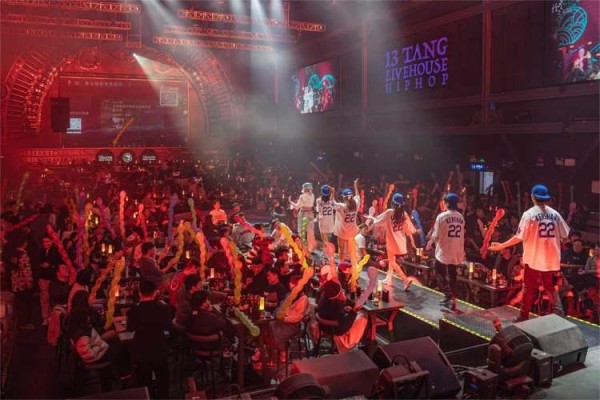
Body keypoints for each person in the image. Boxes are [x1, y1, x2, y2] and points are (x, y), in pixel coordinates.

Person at [489, 184, 569, 322]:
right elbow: (566, 236)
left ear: (532, 197)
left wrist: (501, 246)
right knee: (549, 285)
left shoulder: (529, 214)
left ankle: (523, 315)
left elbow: (518, 237)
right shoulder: (555, 214)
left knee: (528, 286)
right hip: (550, 258)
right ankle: (559, 311)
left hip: (534, 258)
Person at [127, 280, 171, 399]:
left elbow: (130, 328)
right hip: (159, 347)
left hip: (141, 349)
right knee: (163, 379)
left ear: (140, 293)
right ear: (155, 293)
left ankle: (147, 396)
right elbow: (168, 326)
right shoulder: (163, 308)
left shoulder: (133, 311)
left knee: (143, 380)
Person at [370, 193, 418, 290]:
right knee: (392, 260)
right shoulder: (404, 214)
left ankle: (405, 280)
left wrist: (372, 219)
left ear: (393, 203)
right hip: (401, 243)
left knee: (392, 262)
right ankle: (389, 279)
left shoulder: (389, 212)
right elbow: (410, 230)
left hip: (392, 242)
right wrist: (412, 242)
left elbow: (377, 222)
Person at [426, 193, 465, 311]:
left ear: (447, 203)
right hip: (457, 250)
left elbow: (436, 235)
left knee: (438, 271)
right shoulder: (461, 217)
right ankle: (453, 300)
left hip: (445, 250)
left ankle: (448, 295)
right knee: (453, 276)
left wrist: (430, 243)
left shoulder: (441, 216)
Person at [317, 280, 367, 353]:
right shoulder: (336, 305)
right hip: (336, 330)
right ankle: (354, 343)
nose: (342, 291)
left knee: (358, 315)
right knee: (363, 316)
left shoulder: (323, 299)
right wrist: (353, 312)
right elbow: (344, 325)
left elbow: (335, 313)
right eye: (340, 291)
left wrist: (344, 309)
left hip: (324, 327)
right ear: (337, 293)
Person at [332, 179, 361, 262]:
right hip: (352, 231)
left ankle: (341, 264)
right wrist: (355, 186)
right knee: (351, 249)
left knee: (341, 248)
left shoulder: (341, 206)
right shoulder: (356, 204)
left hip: (342, 231)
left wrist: (333, 193)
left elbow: (332, 203)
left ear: (344, 197)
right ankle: (353, 264)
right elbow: (358, 196)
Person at [38, 235, 61, 326]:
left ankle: (53, 317)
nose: (45, 244)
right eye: (44, 242)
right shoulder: (41, 251)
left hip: (53, 278)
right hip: (43, 277)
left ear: (51, 241)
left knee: (53, 297)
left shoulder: (56, 251)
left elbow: (58, 263)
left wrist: (50, 265)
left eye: (47, 241)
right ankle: (45, 317)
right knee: (44, 298)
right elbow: (38, 261)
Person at [289, 182, 316, 252]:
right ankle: (311, 249)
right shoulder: (313, 195)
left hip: (303, 213)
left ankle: (302, 247)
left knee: (301, 231)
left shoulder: (302, 196)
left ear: (304, 188)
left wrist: (290, 201)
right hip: (310, 213)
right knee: (310, 232)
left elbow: (297, 206)